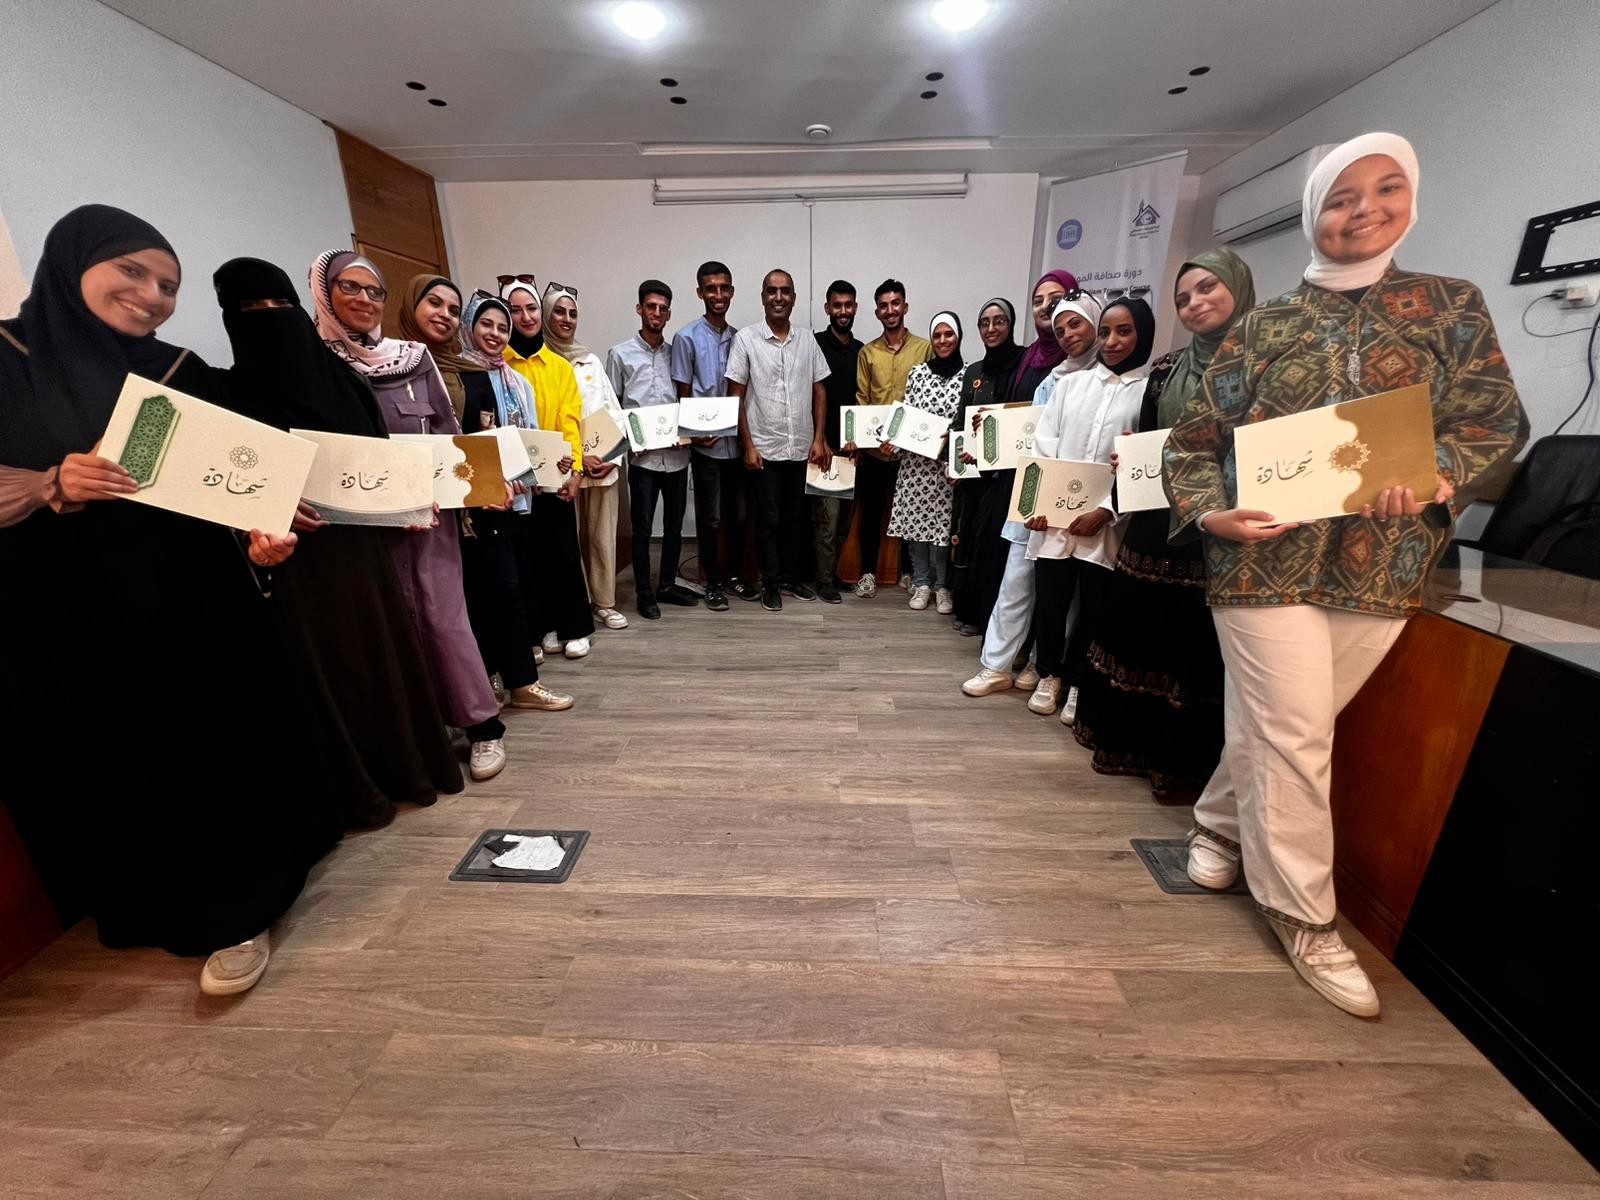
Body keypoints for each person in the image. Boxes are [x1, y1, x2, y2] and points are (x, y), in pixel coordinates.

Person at [1165, 133, 1526, 1017]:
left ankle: (1217, 825)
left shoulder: (1450, 306)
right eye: (1340, 196)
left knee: (1292, 725)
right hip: (1262, 561)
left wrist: (1438, 474)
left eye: (1386, 188)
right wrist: (1210, 514)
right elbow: (1193, 444)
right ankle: (1305, 917)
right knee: (1294, 733)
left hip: (1384, 564)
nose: (1364, 209)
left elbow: (1494, 422)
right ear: (1311, 213)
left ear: (1412, 198)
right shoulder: (1261, 329)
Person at [0, 205, 339, 997]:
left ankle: (242, 909)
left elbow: (226, 489)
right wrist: (50, 483)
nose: (152, 295)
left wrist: (259, 536)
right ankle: (142, 898)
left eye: (169, 285)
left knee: (213, 743)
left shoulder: (179, 371)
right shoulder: (5, 360)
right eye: (133, 271)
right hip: (60, 612)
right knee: (107, 755)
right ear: (72, 263)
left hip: (190, 604)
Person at [213, 256, 467, 809]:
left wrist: (405, 499)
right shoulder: (226, 393)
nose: (271, 318)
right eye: (251, 308)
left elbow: (379, 457)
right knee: (325, 674)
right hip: (293, 565)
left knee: (383, 658)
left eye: (281, 305)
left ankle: (409, 766)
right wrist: (270, 503)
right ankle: (351, 789)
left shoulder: (345, 381)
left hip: (364, 554)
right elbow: (221, 478)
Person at [310, 248, 511, 774]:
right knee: (388, 626)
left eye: (373, 290)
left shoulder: (411, 359)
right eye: (349, 287)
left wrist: (481, 486)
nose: (363, 299)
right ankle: (421, 730)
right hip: (356, 524)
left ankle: (482, 725)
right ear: (323, 293)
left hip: (428, 514)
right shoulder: (314, 362)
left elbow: (448, 432)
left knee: (444, 618)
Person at [1071, 250, 1255, 800]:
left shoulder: (1265, 365)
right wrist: (1131, 458)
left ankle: (1176, 767)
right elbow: (1151, 439)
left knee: (1191, 648)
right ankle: (1126, 747)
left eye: (1208, 288)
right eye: (1183, 297)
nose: (1195, 303)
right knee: (1139, 630)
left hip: (1223, 533)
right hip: (1154, 524)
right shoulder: (1168, 370)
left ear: (1239, 288)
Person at [962, 291, 1102, 698]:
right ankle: (996, 665)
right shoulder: (1050, 380)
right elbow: (1031, 443)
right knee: (1015, 583)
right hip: (1037, 502)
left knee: (1066, 596)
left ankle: (1046, 667)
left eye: (1076, 323)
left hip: (1084, 507)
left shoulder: (1112, 381)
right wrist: (988, 440)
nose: (1068, 334)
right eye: (1061, 328)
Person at [1022, 297, 1155, 721]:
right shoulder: (1071, 386)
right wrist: (1037, 504)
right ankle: (1050, 674)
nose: (1112, 341)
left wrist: (1107, 511)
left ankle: (1080, 681)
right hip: (1055, 520)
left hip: (1107, 523)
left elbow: (1143, 463)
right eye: (1106, 332)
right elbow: (1044, 445)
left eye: (1124, 331)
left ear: (1143, 335)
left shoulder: (1149, 393)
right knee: (1051, 601)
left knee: (1094, 607)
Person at [458, 291, 575, 729]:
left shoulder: (515, 382)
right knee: (476, 596)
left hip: (512, 503)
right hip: (466, 506)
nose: (495, 333)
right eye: (486, 324)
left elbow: (530, 443)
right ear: (469, 327)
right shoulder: (455, 376)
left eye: (502, 327)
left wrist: (552, 468)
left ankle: (522, 682)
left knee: (511, 591)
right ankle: (488, 678)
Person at [951, 270, 1077, 635]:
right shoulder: (1030, 359)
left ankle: (1035, 646)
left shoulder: (1056, 362)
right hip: (1002, 472)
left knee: (1040, 563)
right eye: (1038, 301)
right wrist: (972, 449)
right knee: (992, 550)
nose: (991, 329)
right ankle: (996, 631)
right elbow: (990, 419)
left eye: (999, 321)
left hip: (1052, 475)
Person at [499, 277, 596, 657]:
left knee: (563, 551)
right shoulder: (499, 366)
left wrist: (575, 471)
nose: (525, 317)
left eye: (531, 309)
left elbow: (570, 420)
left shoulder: (559, 367)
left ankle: (576, 627)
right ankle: (544, 628)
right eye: (515, 310)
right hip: (515, 481)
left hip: (555, 472)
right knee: (528, 554)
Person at [727, 268, 832, 611]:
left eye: (785, 291)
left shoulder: (808, 340)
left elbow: (819, 390)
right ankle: (770, 583)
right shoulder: (746, 340)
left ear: (794, 298)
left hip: (801, 447)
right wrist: (748, 445)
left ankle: (791, 578)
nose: (778, 297)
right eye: (772, 291)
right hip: (764, 450)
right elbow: (735, 396)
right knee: (768, 521)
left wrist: (819, 438)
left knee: (796, 519)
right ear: (763, 297)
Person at [608, 278, 697, 620]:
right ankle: (645, 592)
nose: (657, 313)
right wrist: (632, 442)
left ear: (669, 314)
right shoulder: (620, 354)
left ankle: (667, 586)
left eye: (663, 308)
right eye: (651, 306)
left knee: (674, 528)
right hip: (643, 460)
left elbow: (686, 400)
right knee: (643, 529)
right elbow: (613, 408)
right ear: (640, 309)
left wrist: (686, 430)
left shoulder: (678, 353)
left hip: (677, 456)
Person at [543, 281, 629, 631]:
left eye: (573, 313)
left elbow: (614, 411)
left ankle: (604, 603)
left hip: (602, 463)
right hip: (563, 466)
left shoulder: (590, 360)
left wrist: (611, 457)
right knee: (566, 540)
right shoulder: (540, 361)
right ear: (546, 316)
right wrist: (578, 459)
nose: (567, 319)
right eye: (559, 312)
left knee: (601, 537)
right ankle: (575, 603)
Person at [672, 261, 755, 609]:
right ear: (700, 293)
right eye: (711, 289)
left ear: (731, 291)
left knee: (739, 515)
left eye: (724, 288)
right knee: (710, 519)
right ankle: (713, 582)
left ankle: (734, 576)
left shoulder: (741, 338)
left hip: (737, 443)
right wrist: (694, 435)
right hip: (706, 446)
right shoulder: (686, 337)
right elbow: (682, 394)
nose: (718, 295)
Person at [849, 279, 931, 597]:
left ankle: (910, 574)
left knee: (910, 513)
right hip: (875, 452)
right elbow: (862, 400)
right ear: (877, 312)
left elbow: (929, 399)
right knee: (870, 515)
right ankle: (868, 574)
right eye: (883, 305)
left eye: (895, 303)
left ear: (905, 307)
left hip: (911, 451)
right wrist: (864, 440)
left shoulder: (924, 348)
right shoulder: (867, 353)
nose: (890, 310)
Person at [885, 311, 963, 613]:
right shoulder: (917, 373)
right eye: (937, 335)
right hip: (916, 467)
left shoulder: (969, 375)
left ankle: (943, 587)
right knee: (916, 527)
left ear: (958, 337)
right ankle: (921, 583)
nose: (942, 340)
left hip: (946, 469)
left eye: (948, 334)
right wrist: (891, 439)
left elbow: (966, 423)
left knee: (944, 530)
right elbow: (905, 413)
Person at [811, 279, 864, 603]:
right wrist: (819, 440)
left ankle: (830, 574)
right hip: (824, 450)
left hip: (853, 451)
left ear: (855, 308)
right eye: (837, 305)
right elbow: (809, 395)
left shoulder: (862, 351)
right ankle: (822, 580)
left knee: (844, 520)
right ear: (827, 308)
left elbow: (864, 401)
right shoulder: (815, 344)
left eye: (848, 305)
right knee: (826, 521)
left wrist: (861, 441)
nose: (843, 311)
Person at [397, 274, 478, 425]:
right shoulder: (383, 363)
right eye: (434, 303)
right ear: (412, 304)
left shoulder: (469, 373)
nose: (445, 315)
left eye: (454, 311)